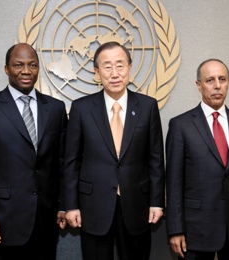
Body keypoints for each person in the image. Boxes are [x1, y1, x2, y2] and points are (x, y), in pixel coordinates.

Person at [63, 41, 165, 260]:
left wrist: (157, 201)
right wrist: (70, 205)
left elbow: (155, 158)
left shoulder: (147, 106)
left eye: (120, 65)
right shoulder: (81, 108)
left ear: (129, 68)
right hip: (94, 207)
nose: (114, 73)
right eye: (107, 67)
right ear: (97, 73)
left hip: (137, 204)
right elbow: (71, 162)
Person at [0, 43, 68, 260]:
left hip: (46, 218)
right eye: (18, 65)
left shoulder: (56, 108)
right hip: (4, 220)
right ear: (6, 69)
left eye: (32, 65)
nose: (26, 70)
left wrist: (65, 204)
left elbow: (62, 162)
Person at [165, 59, 229, 260]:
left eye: (222, 79)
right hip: (195, 230)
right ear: (199, 85)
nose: (217, 85)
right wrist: (175, 229)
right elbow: (174, 182)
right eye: (210, 80)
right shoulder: (180, 125)